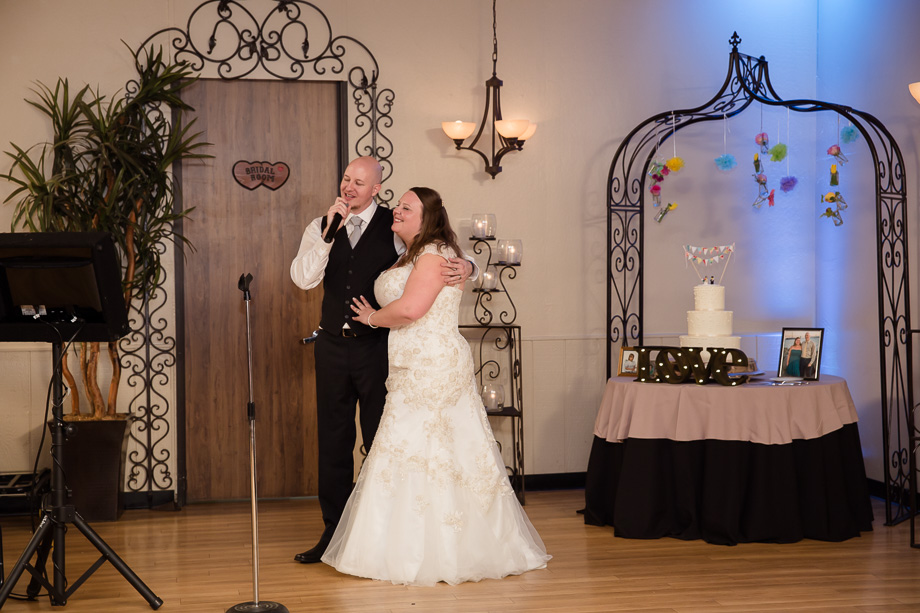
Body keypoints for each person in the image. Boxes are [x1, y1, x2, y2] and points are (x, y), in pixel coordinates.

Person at [321, 187, 550, 585]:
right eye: (397, 205)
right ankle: (410, 543)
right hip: (410, 364)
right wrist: (470, 265)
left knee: (432, 448)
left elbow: (412, 308)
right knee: (415, 450)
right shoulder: (408, 251)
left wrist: (371, 318)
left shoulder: (432, 254)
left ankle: (444, 549)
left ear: (426, 218)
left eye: (406, 207)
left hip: (432, 365)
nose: (396, 210)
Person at [289, 158, 474, 564]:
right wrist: (327, 235)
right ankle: (333, 535)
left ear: (376, 189)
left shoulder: (395, 225)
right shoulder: (321, 226)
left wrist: (470, 266)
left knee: (380, 440)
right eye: (346, 179)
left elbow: (434, 250)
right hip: (331, 348)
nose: (349, 187)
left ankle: (376, 534)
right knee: (333, 444)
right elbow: (303, 278)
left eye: (359, 182)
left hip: (378, 350)